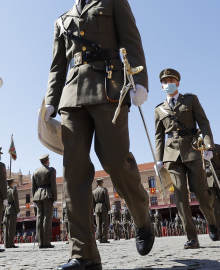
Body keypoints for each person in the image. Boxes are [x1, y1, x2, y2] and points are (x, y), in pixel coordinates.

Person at [44, 0, 154, 268]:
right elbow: (58, 66)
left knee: (115, 160)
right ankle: (84, 255)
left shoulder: (113, 1)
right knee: (74, 172)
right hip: (71, 97)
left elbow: (131, 39)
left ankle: (142, 217)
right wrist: (49, 101)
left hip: (109, 87)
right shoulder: (62, 19)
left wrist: (139, 82)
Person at [155, 68, 219, 249]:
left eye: (171, 80)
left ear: (178, 83)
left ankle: (212, 221)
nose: (168, 84)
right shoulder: (159, 109)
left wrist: (209, 145)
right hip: (171, 156)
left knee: (200, 191)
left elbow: (204, 122)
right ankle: (192, 237)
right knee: (180, 194)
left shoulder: (191, 99)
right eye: (165, 81)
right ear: (162, 86)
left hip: (192, 150)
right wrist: (158, 159)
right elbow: (159, 136)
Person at [32, 154, 57, 249]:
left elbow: (33, 187)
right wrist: (55, 199)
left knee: (39, 218)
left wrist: (33, 199)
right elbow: (53, 185)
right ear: (47, 161)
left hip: (37, 195)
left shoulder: (35, 172)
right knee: (47, 218)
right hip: (47, 194)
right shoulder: (51, 170)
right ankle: (46, 242)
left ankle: (40, 242)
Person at [205, 144, 220, 228]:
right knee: (214, 206)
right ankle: (218, 229)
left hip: (218, 177)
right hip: (208, 180)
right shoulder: (196, 151)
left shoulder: (217, 147)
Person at [92, 178, 110, 243]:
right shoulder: (104, 190)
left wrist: (94, 209)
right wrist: (109, 209)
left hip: (97, 208)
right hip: (104, 207)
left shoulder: (94, 191)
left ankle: (99, 238)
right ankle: (104, 238)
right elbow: (107, 201)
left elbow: (93, 202)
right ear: (102, 182)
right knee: (104, 223)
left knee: (98, 223)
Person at [3, 178, 20, 248]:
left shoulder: (4, 191)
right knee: (11, 228)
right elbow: (16, 201)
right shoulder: (13, 190)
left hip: (6, 210)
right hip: (12, 210)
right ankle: (10, 244)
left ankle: (6, 243)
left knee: (6, 228)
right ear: (12, 183)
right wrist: (18, 211)